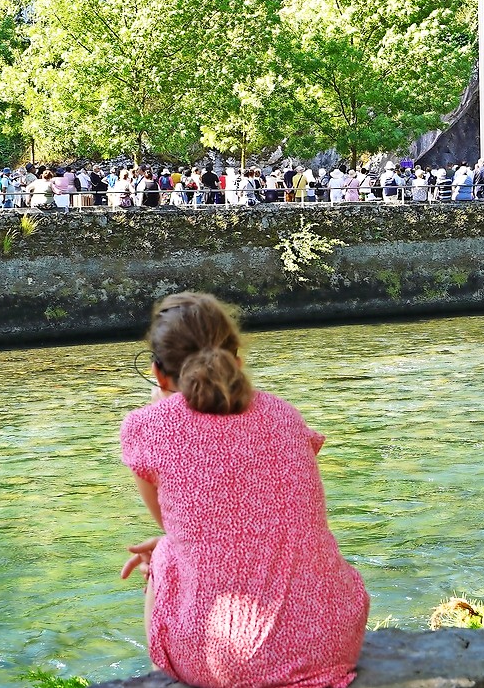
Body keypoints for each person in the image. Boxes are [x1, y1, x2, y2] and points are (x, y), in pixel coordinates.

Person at [120, 293, 368, 688]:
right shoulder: (285, 414)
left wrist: (159, 407)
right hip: (331, 641)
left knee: (166, 551)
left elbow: (172, 525)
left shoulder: (147, 426)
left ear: (158, 372)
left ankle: (168, 671)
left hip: (227, 662)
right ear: (237, 360)